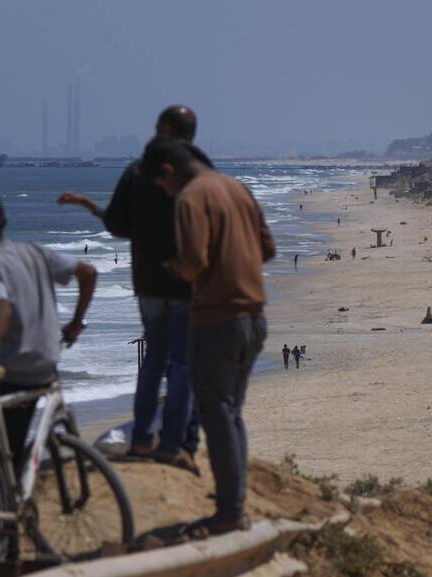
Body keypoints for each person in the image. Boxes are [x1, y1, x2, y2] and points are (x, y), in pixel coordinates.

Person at [56, 106, 205, 474]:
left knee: (155, 358)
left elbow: (117, 225)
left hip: (150, 283)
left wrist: (91, 206)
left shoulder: (138, 172)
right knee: (183, 363)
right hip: (188, 282)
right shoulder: (200, 171)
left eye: (158, 126)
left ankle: (141, 438)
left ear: (168, 129)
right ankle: (172, 444)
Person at [144, 137, 276, 535]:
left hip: (217, 319)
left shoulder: (189, 199)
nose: (166, 193)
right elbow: (267, 248)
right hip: (254, 315)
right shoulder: (237, 188)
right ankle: (232, 504)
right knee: (231, 413)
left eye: (161, 186)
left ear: (168, 172)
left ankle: (231, 512)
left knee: (216, 415)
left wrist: (173, 268)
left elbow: (195, 261)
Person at [0, 190, 97, 475]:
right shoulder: (35, 252)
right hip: (48, 364)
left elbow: (2, 309)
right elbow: (88, 273)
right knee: (17, 437)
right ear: (5, 220)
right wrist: (75, 323)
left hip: (14, 373)